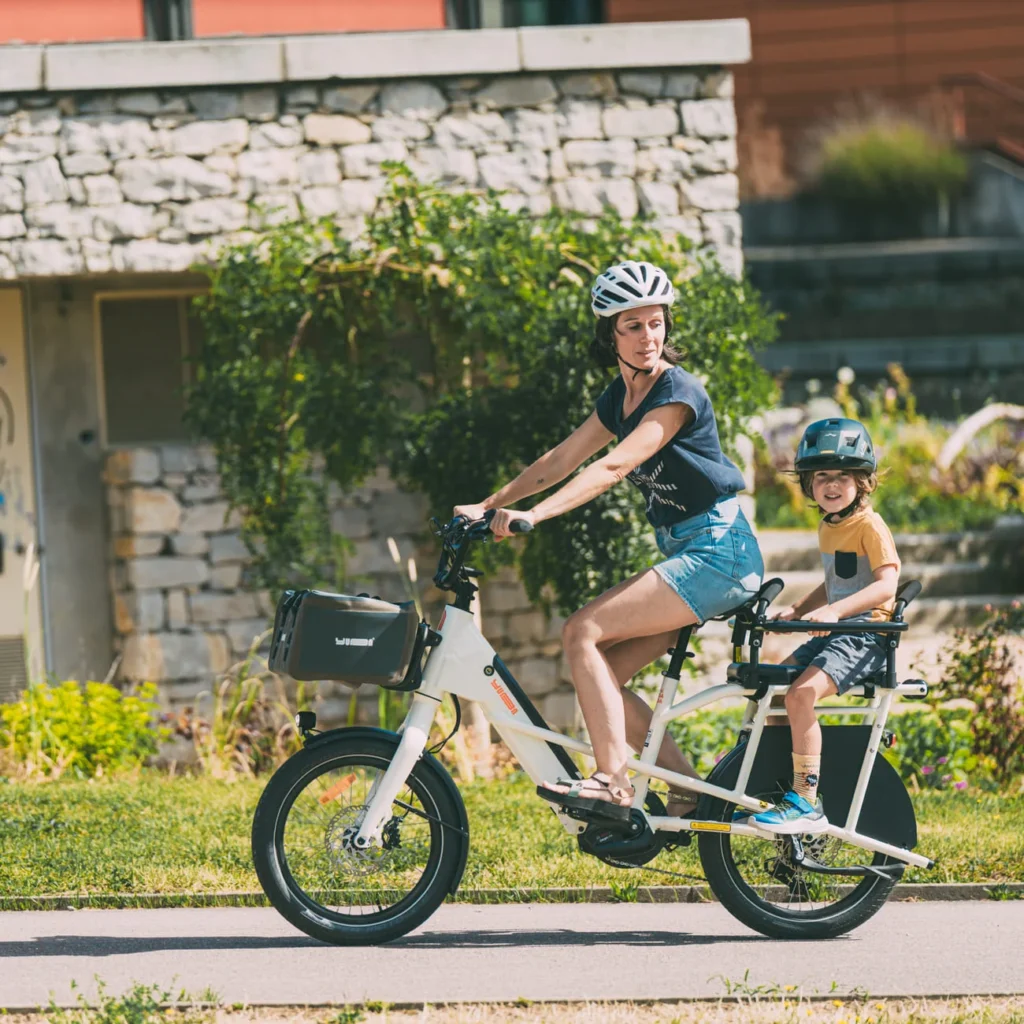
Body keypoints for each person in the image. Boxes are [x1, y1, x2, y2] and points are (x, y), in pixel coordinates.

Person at [453, 260, 764, 822]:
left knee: (581, 632)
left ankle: (612, 782)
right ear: (609, 335)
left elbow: (616, 465)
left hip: (720, 551)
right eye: (633, 326)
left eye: (656, 323)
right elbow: (561, 460)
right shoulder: (617, 398)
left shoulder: (677, 391)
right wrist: (490, 505)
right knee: (604, 673)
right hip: (691, 551)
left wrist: (535, 517)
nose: (649, 338)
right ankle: (688, 789)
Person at [748, 417, 900, 834]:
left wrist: (835, 613)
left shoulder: (870, 525)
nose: (831, 485)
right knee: (777, 692)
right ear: (808, 484)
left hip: (866, 634)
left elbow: (887, 583)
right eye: (821, 477)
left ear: (863, 481)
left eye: (842, 476)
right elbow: (836, 581)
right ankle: (784, 783)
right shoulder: (830, 526)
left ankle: (806, 801)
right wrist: (799, 609)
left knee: (800, 696)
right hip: (839, 631)